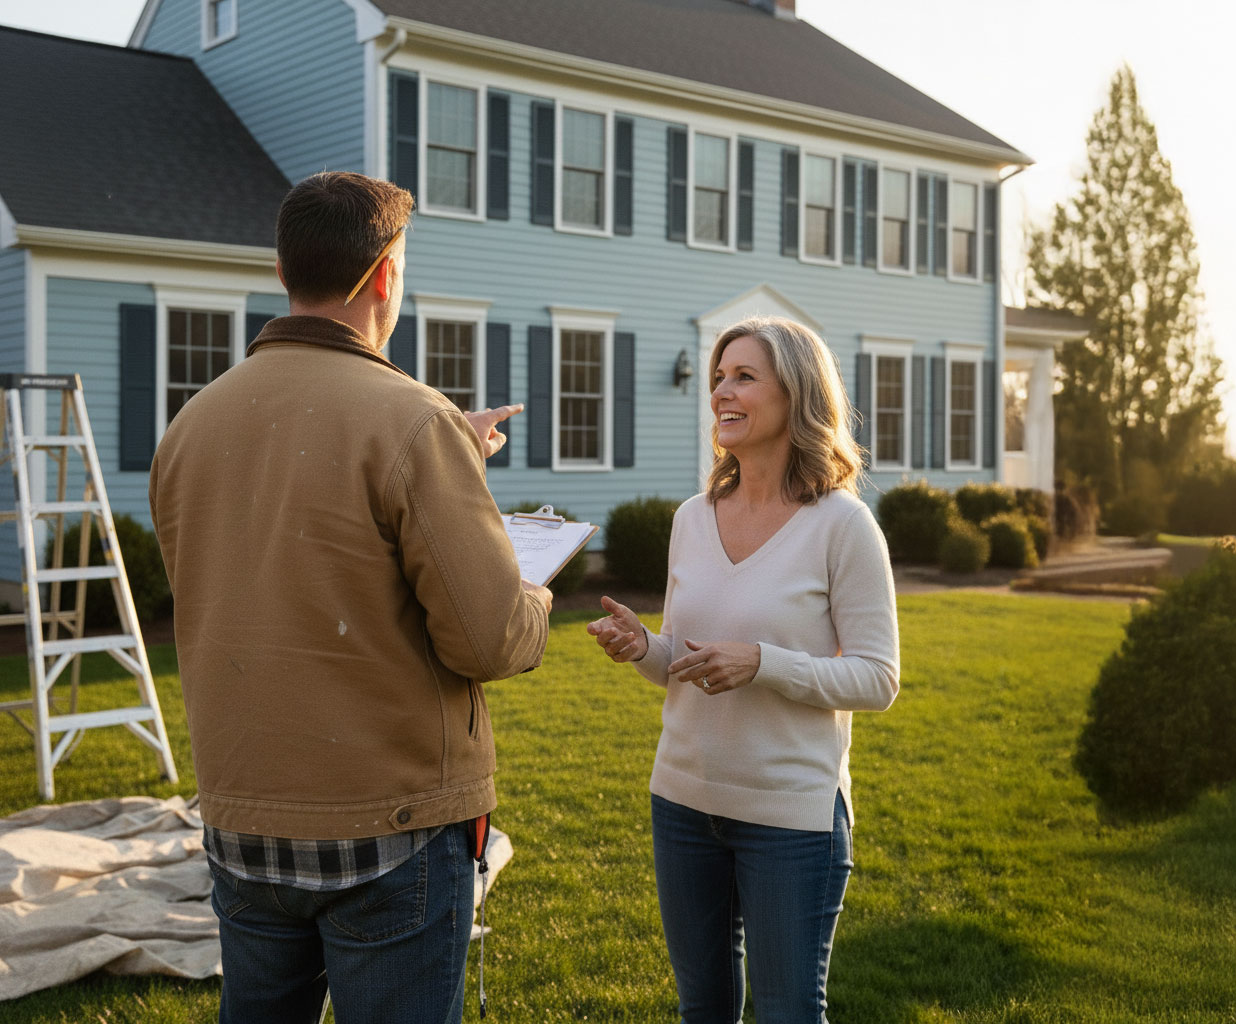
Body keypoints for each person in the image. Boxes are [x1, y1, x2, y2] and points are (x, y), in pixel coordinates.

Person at [148, 170, 552, 1024]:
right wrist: (534, 591)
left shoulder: (191, 425)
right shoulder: (413, 420)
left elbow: (293, 553)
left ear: (290, 269)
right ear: (386, 275)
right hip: (390, 826)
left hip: (243, 819)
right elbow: (489, 640)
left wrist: (451, 459)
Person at [589, 316, 900, 1023]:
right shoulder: (693, 518)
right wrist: (645, 648)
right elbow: (684, 661)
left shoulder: (842, 526)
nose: (722, 392)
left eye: (744, 377)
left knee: (788, 1011)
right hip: (681, 803)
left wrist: (765, 663)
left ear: (796, 395)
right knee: (703, 1010)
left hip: (789, 817)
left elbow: (879, 679)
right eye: (719, 377)